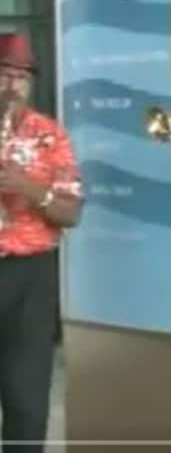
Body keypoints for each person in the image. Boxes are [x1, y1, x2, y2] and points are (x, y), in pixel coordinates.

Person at [0, 33, 82, 452]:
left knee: (26, 394)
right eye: (5, 75)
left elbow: (71, 213)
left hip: (30, 276)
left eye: (21, 77)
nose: (12, 86)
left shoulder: (49, 135)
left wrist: (29, 187)